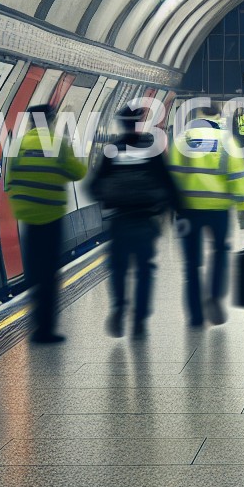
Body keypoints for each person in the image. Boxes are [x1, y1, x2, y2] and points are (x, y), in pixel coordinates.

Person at [88, 104, 180, 339]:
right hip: (146, 220)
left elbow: (94, 186)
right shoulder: (152, 150)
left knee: (118, 268)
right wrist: (174, 212)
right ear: (139, 124)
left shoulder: (112, 150)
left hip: (119, 220)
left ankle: (119, 308)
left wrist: (107, 199)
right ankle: (139, 319)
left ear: (121, 124)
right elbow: (169, 184)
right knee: (144, 270)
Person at [4, 102, 88, 343]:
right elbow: (78, 173)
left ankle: (34, 323)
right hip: (51, 216)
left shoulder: (20, 144)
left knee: (34, 272)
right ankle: (45, 330)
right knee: (49, 274)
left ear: (31, 122)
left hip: (27, 218)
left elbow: (9, 180)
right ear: (51, 120)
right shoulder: (58, 144)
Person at [169, 102, 244, 327]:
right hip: (219, 209)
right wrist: (243, 209)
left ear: (197, 115)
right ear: (218, 116)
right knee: (220, 252)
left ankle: (195, 317)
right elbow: (237, 177)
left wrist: (173, 208)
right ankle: (214, 296)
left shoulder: (181, 140)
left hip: (188, 210)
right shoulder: (227, 142)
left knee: (192, 265)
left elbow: (173, 177)